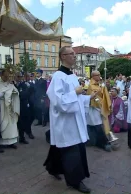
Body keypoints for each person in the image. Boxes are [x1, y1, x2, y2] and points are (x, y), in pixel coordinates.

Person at [43, 46, 97, 193]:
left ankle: (53, 168)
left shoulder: (72, 76)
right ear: (63, 57)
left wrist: (87, 98)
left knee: (61, 147)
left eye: (74, 53)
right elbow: (58, 101)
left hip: (74, 120)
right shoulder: (58, 77)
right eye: (71, 54)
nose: (74, 56)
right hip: (65, 122)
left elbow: (77, 98)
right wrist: (75, 92)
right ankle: (74, 181)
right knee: (72, 151)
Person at [0, 70, 20, 148]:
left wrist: (12, 93)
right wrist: (6, 93)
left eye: (8, 76)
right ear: (1, 75)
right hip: (2, 107)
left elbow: (16, 92)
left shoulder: (10, 83)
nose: (7, 78)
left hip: (10, 106)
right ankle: (2, 142)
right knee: (3, 124)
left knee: (11, 125)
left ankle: (11, 142)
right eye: (5, 76)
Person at [15, 72, 34, 144]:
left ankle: (22, 137)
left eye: (20, 77)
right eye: (18, 76)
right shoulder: (12, 84)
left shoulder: (24, 85)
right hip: (14, 105)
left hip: (22, 106)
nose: (19, 78)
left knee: (22, 122)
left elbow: (25, 95)